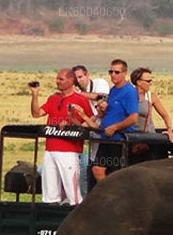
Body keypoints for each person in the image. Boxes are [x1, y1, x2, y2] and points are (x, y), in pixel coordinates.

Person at [28, 68, 93, 205]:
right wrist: (35, 95)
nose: (58, 82)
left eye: (61, 79)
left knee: (73, 193)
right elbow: (37, 113)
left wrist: (72, 123)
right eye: (57, 78)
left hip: (69, 150)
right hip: (50, 148)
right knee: (50, 193)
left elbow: (90, 121)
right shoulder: (53, 98)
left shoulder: (80, 99)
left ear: (71, 81)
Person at [91, 59, 138, 183]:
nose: (113, 74)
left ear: (124, 73)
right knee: (98, 169)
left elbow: (133, 117)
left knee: (117, 172)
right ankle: (107, 195)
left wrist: (115, 127)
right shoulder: (113, 90)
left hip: (118, 139)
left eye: (116, 72)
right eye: (110, 71)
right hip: (107, 137)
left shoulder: (130, 92)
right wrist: (103, 110)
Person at [72, 64, 110, 196]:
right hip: (92, 127)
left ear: (87, 75)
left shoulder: (100, 83)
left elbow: (100, 97)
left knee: (100, 164)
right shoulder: (78, 94)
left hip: (103, 126)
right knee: (91, 162)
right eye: (76, 78)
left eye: (81, 77)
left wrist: (77, 94)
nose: (79, 80)